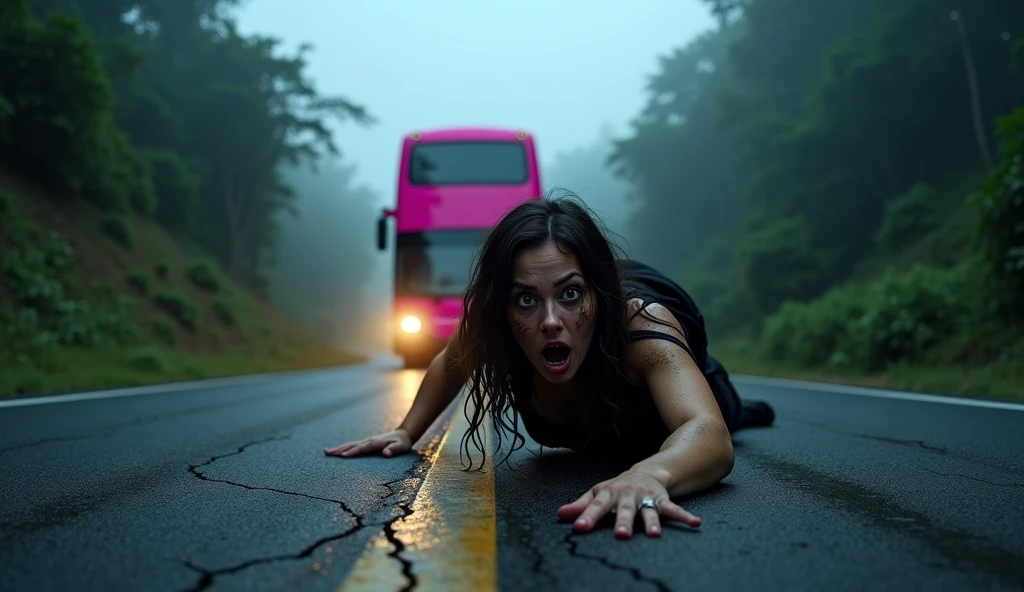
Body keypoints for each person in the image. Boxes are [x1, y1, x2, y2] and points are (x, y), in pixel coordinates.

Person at [324, 192, 775, 540]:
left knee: (730, 411)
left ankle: (747, 405)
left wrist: (647, 474)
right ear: (505, 307)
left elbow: (709, 435)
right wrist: (406, 431)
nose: (551, 321)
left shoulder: (639, 327)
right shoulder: (493, 325)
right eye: (526, 299)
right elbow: (449, 362)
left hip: (684, 384)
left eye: (571, 293)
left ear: (598, 295)